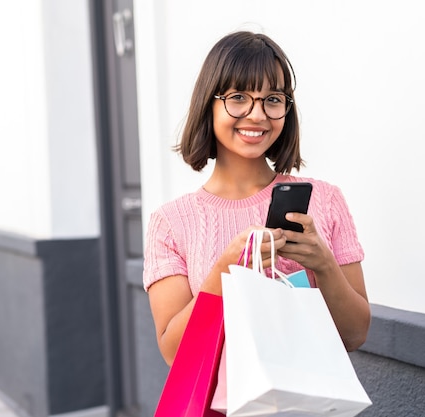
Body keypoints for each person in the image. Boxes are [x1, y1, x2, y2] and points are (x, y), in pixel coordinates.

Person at [143, 31, 370, 366]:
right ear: (210, 102)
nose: (257, 115)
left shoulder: (325, 201)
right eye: (238, 97)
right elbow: (175, 355)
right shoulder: (172, 223)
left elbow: (355, 335)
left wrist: (322, 262)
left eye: (273, 99)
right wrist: (226, 268)